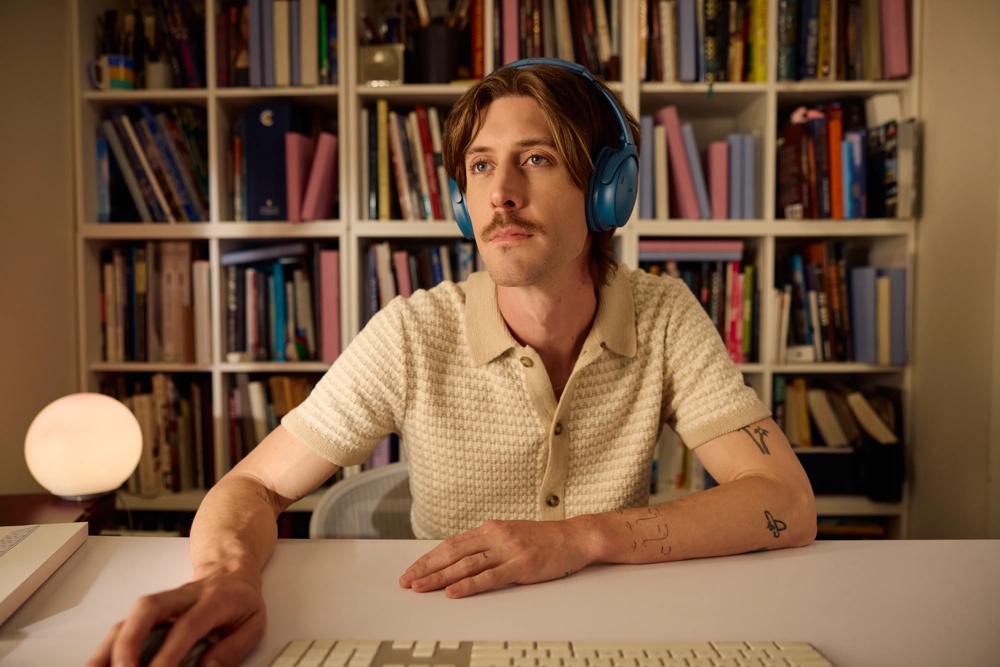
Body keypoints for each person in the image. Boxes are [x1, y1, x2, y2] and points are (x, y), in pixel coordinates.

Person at [90, 58, 816, 667]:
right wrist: (230, 575)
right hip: (443, 633)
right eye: (480, 166)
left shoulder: (664, 316)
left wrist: (579, 537)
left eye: (536, 157)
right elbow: (251, 484)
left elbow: (784, 500)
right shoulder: (412, 332)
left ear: (608, 189)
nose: (501, 191)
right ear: (464, 203)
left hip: (607, 628)